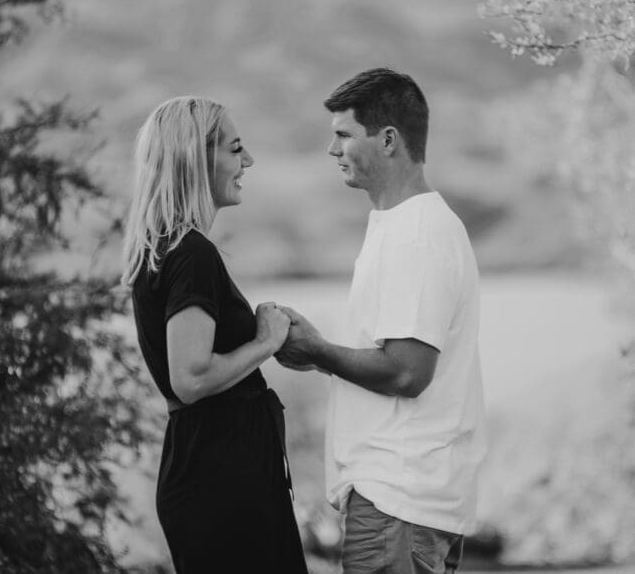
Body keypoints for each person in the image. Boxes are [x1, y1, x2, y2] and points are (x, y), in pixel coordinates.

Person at [275, 69, 487, 574]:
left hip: (399, 498)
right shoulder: (401, 227)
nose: (333, 150)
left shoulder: (417, 234)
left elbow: (406, 373)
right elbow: (391, 358)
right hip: (401, 497)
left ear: (388, 139)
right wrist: (322, 356)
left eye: (344, 134)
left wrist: (317, 350)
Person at [121, 96, 308, 573]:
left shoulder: (167, 248)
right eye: (236, 149)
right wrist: (264, 342)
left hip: (214, 467)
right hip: (221, 476)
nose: (248, 162)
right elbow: (191, 377)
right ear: (196, 160)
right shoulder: (191, 253)